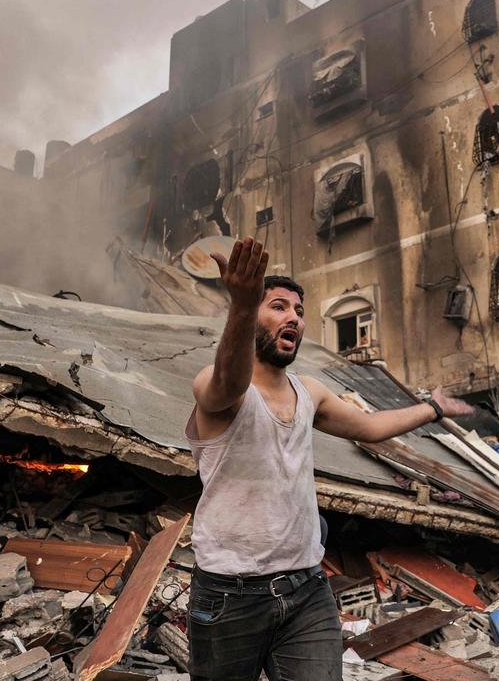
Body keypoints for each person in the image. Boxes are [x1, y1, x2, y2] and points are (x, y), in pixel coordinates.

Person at [184, 237, 474, 681]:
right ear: (252, 313)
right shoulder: (215, 385)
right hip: (230, 595)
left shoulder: (310, 392)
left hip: (306, 588)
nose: (294, 318)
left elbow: (372, 427)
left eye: (299, 312)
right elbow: (228, 380)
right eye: (278, 306)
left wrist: (433, 407)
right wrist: (241, 304)